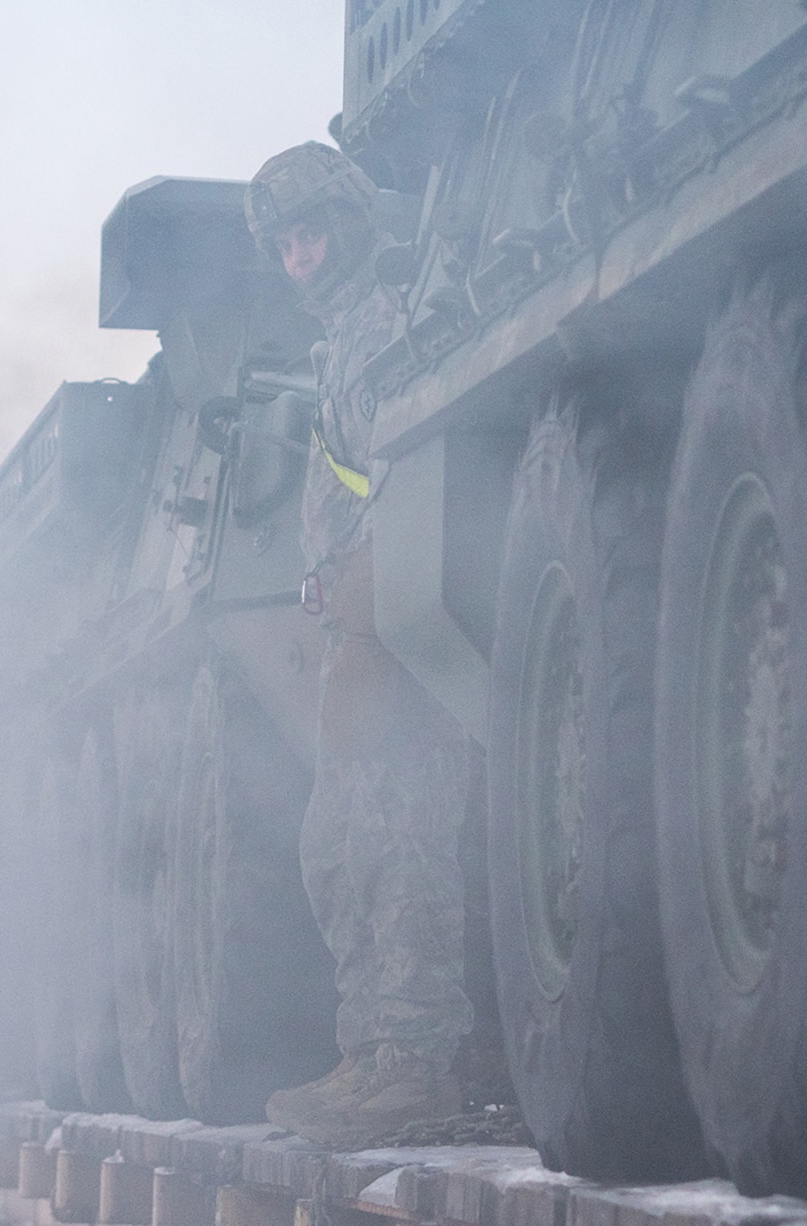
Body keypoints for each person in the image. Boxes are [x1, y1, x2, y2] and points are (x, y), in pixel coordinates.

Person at [243, 142, 474, 1148]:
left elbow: (404, 470)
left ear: (348, 224)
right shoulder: (344, 336)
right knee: (347, 843)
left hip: (389, 610)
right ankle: (373, 1056)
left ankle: (407, 1063)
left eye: (311, 230)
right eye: (284, 239)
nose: (300, 252)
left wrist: (369, 594)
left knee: (389, 838)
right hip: (361, 609)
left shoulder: (380, 320)